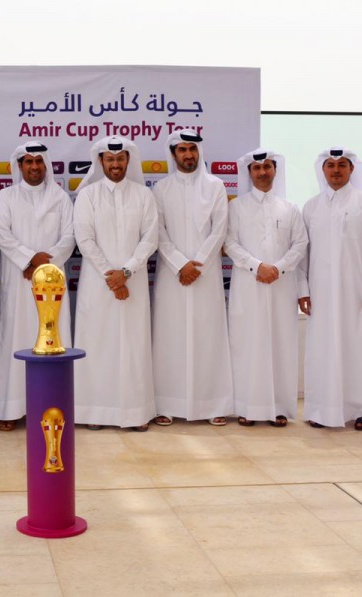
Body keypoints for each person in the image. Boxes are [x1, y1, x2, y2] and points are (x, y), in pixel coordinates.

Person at [299, 147, 362, 430]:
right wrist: (303, 290)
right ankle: (320, 411)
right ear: (322, 170)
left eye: (342, 165)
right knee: (321, 351)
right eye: (330, 165)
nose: (336, 170)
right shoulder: (311, 206)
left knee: (360, 350)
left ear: (352, 170)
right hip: (322, 296)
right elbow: (304, 253)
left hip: (358, 294)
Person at [72, 136, 160, 431]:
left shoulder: (143, 195)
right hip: (98, 284)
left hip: (132, 282)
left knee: (133, 345)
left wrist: (128, 271)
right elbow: (84, 239)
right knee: (97, 344)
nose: (115, 164)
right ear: (101, 162)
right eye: (109, 159)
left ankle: (135, 414)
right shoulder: (87, 195)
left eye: (120, 158)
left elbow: (150, 238)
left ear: (128, 160)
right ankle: (96, 412)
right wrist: (112, 276)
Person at [0, 141, 75, 431]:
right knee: (15, 338)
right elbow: (1, 234)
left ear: (46, 164)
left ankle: (52, 407)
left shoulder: (60, 197)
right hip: (19, 278)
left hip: (52, 282)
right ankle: (11, 409)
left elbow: (69, 237)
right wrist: (28, 259)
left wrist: (43, 264)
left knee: (52, 339)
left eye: (39, 161)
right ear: (20, 166)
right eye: (28, 162)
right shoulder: (6, 196)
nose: (35, 166)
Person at [151, 130, 232, 426]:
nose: (188, 155)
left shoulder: (215, 186)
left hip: (205, 275)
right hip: (172, 276)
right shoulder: (160, 189)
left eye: (192, 149)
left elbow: (219, 230)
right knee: (169, 338)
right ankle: (166, 404)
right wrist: (179, 264)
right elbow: (158, 233)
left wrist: (196, 265)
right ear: (173, 154)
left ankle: (213, 405)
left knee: (208, 337)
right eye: (182, 150)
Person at [224, 149, 308, 427]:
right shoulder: (236, 207)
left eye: (267, 167)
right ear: (249, 173)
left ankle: (279, 408)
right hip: (248, 286)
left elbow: (300, 244)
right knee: (247, 345)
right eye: (257, 168)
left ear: (275, 170)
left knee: (280, 344)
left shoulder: (290, 208)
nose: (262, 172)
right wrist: (257, 266)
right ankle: (247, 408)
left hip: (281, 288)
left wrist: (279, 268)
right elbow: (229, 243)